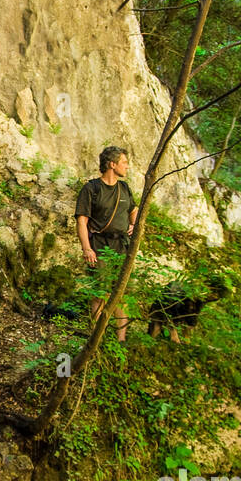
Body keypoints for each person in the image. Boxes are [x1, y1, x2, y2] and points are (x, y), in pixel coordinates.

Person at [75, 146, 138, 341]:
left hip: (122, 246)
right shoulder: (91, 188)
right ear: (112, 164)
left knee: (122, 293)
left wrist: (134, 225)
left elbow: (133, 209)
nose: (127, 166)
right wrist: (87, 248)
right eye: (124, 162)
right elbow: (82, 221)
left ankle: (121, 340)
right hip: (100, 245)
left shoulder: (125, 188)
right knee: (99, 293)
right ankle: (95, 338)